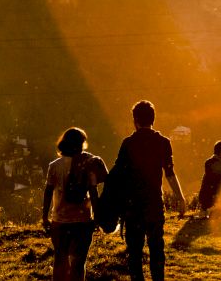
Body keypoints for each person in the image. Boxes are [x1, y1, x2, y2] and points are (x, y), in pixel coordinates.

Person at [114, 100, 185, 281]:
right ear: (153, 119)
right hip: (154, 203)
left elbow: (118, 175)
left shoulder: (128, 143)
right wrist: (181, 198)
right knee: (156, 249)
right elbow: (169, 173)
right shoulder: (163, 142)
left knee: (135, 252)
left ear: (135, 120)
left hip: (132, 205)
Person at [42, 127, 108, 281]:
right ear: (81, 143)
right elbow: (93, 191)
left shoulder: (55, 165)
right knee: (79, 263)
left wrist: (45, 216)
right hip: (83, 221)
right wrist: (97, 216)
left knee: (60, 261)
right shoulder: (88, 162)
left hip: (59, 220)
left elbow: (48, 192)